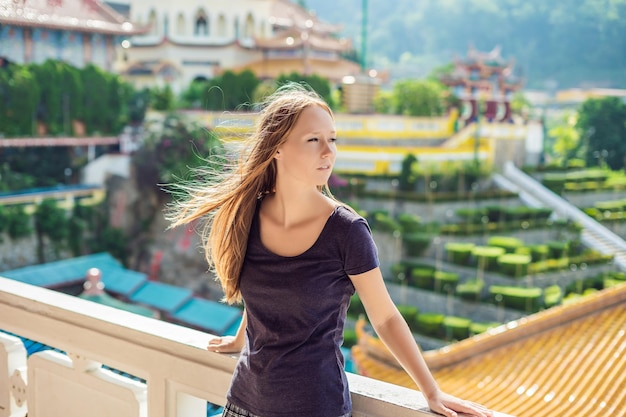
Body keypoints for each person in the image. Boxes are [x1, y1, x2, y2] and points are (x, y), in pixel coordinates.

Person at [167, 83, 493, 417]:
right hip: (243, 404)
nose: (328, 152)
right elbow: (269, 294)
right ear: (276, 147)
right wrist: (240, 340)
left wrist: (431, 390)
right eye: (314, 140)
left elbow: (385, 318)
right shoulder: (250, 214)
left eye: (332, 140)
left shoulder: (347, 231)